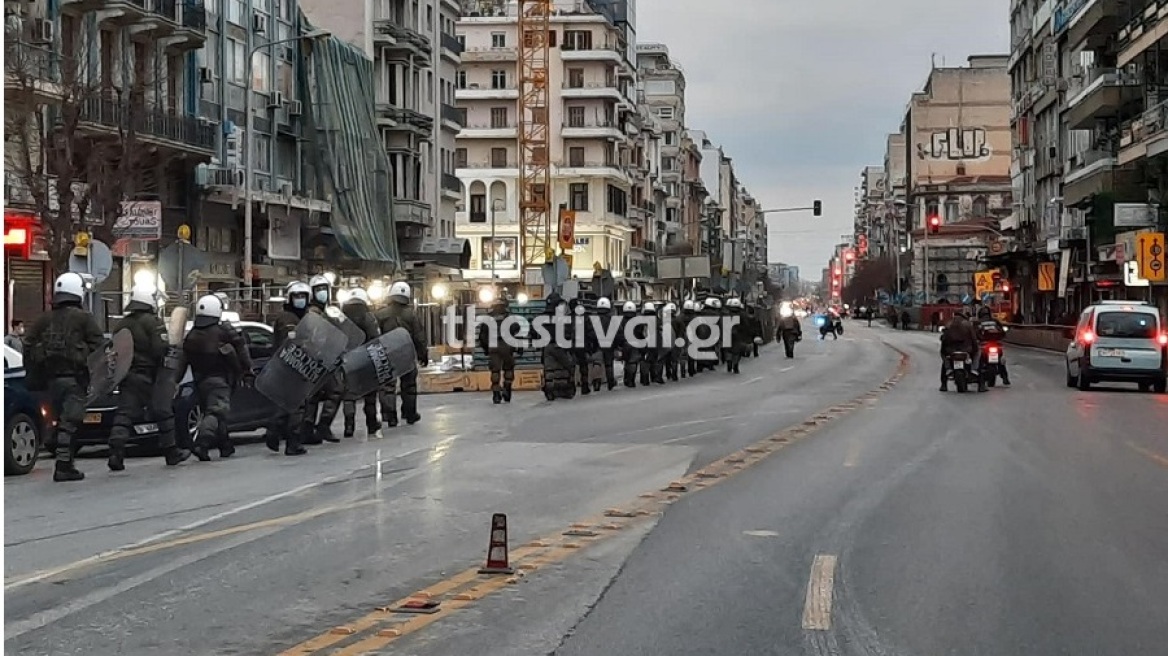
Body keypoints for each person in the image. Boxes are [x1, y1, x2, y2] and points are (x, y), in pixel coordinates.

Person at [22, 273, 105, 481]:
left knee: (57, 421)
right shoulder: (83, 318)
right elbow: (100, 347)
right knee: (70, 422)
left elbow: (28, 345)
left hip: (49, 382)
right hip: (74, 379)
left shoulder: (43, 318)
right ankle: (63, 466)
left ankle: (64, 461)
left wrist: (34, 376)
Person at [106, 285, 191, 470]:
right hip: (150, 376)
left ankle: (116, 453)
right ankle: (171, 452)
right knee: (164, 412)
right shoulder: (152, 322)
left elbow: (115, 351)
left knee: (124, 415)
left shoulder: (122, 324)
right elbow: (159, 348)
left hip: (128, 376)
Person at [177, 294, 252, 461]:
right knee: (217, 412)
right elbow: (240, 348)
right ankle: (202, 444)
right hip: (219, 379)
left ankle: (225, 445)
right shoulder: (222, 332)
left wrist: (175, 380)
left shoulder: (192, 335)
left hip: (200, 381)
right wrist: (246, 371)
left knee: (214, 412)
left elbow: (182, 361)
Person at [266, 281, 310, 456]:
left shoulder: (303, 317)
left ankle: (273, 433)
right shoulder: (288, 319)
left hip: (297, 366)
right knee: (297, 406)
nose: (300, 300)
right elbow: (290, 342)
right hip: (291, 366)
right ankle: (292, 443)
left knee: (287, 404)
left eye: (303, 296)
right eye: (297, 296)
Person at [375, 282, 427, 425]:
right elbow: (419, 336)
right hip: (406, 353)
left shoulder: (380, 314)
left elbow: (374, 335)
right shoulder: (411, 315)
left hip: (386, 353)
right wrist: (423, 354)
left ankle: (390, 415)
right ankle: (410, 414)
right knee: (409, 385)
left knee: (387, 386)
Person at [301, 274, 343, 444]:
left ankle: (312, 428)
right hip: (318, 359)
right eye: (318, 290)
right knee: (334, 391)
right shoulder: (313, 312)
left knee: (317, 394)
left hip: (325, 358)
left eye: (324, 289)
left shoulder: (328, 311)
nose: (322, 293)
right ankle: (317, 427)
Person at [341, 289, 382, 435]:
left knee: (349, 395)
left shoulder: (341, 317)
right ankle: (371, 423)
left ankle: (349, 426)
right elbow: (375, 337)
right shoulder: (368, 316)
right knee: (370, 394)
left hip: (347, 359)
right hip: (366, 359)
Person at [478, 296, 521, 404]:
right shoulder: (509, 317)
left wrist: (486, 349)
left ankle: (496, 394)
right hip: (507, 344)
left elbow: (482, 336)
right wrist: (519, 347)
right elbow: (517, 332)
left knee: (495, 370)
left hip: (493, 344)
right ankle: (507, 388)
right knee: (508, 369)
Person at [540, 293, 576, 400]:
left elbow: (534, 333)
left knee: (549, 369)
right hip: (560, 345)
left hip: (546, 347)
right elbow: (568, 332)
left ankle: (550, 390)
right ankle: (564, 389)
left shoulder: (541, 317)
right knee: (566, 366)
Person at [940, 309, 983, 392]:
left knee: (944, 357)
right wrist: (975, 348)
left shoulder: (949, 324)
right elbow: (974, 338)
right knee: (978, 354)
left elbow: (944, 339)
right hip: (967, 350)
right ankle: (978, 378)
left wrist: (944, 350)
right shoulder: (968, 324)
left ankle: (944, 383)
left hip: (951, 350)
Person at [975, 305, 1011, 386]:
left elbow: (974, 333)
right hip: (995, 344)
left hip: (984, 344)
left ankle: (978, 376)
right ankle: (1005, 377)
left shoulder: (978, 322)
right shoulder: (995, 321)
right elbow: (1002, 332)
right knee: (1001, 361)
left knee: (979, 360)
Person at [593, 297, 619, 390]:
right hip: (609, 345)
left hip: (597, 345)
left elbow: (589, 332)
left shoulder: (593, 319)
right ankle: (610, 382)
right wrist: (617, 345)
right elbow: (618, 333)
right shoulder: (612, 319)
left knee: (597, 363)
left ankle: (596, 382)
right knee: (609, 364)